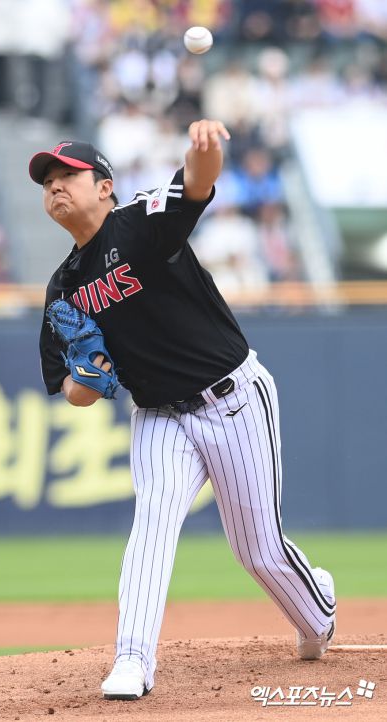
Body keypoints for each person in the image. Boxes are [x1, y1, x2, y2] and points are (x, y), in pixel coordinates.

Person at [30, 120, 336, 701]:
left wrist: (205, 150)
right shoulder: (63, 288)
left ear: (105, 187)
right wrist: (87, 378)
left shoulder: (139, 223)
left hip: (233, 397)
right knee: (152, 523)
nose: (55, 186)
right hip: (158, 415)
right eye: (47, 182)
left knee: (258, 550)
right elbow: (69, 388)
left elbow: (196, 184)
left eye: (68, 174)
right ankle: (132, 660)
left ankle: (318, 609)